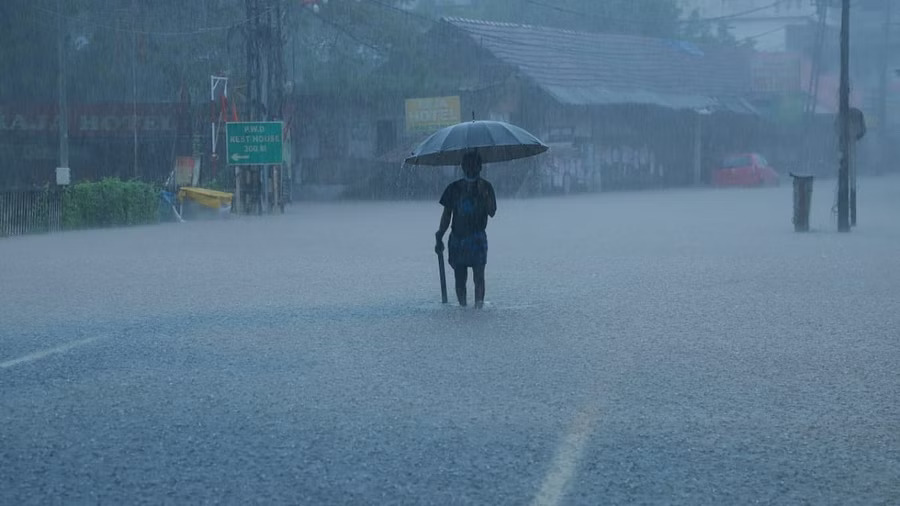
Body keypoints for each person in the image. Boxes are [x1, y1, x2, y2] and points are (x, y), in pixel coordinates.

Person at [435, 151, 497, 308]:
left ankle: (478, 308)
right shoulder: (454, 188)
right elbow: (446, 216)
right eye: (468, 165)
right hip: (458, 239)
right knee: (460, 277)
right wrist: (440, 235)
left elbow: (492, 212)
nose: (471, 168)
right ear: (462, 167)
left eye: (474, 165)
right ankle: (463, 308)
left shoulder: (486, 187)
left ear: (480, 167)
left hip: (477, 239)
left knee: (479, 277)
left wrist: (485, 194)